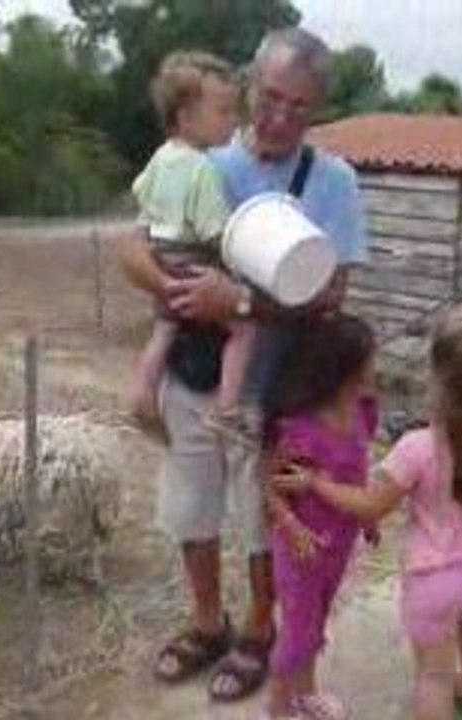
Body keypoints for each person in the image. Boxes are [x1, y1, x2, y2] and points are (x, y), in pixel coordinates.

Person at [117, 27, 368, 703]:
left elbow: (333, 295)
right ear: (251, 82)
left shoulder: (333, 182)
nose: (282, 116)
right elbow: (133, 246)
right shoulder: (201, 158)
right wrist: (169, 289)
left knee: (261, 522)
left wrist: (242, 304)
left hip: (273, 391)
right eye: (272, 97)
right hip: (192, 376)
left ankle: (259, 632)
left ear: (317, 110)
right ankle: (207, 623)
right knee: (191, 510)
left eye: (301, 107)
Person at [273, 299, 462, 720]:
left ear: (442, 381)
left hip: (434, 581)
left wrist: (316, 483)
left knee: (433, 675)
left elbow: (371, 504)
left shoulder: (418, 449)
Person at [126, 51, 258, 439]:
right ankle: (229, 407)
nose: (233, 121)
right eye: (223, 112)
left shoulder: (161, 158)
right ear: (186, 117)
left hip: (162, 260)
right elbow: (214, 231)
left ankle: (142, 389)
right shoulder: (202, 169)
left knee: (165, 329)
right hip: (193, 265)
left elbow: (141, 195)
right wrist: (240, 257)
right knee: (245, 328)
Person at [260, 313, 379, 720]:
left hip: (338, 547)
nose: (375, 367)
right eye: (370, 359)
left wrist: (369, 518)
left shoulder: (364, 412)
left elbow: (361, 470)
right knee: (296, 632)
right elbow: (271, 486)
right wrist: (291, 527)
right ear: (347, 369)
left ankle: (306, 694)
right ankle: (276, 710)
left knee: (316, 623)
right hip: (300, 552)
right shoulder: (302, 429)